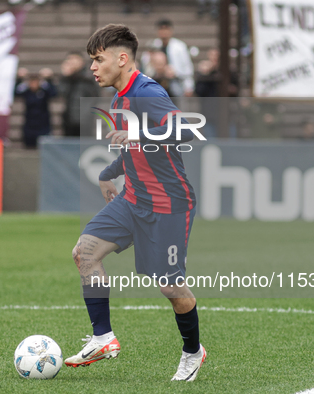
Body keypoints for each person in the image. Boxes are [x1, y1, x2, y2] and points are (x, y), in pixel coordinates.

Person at [65, 24, 206, 382]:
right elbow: (133, 151)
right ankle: (103, 338)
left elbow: (185, 129)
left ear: (122, 58)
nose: (93, 67)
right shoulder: (118, 98)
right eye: (91, 61)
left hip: (169, 203)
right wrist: (106, 173)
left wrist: (139, 132)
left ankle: (193, 351)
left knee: (171, 288)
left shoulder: (146, 92)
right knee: (85, 252)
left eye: (98, 59)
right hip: (134, 197)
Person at [149, 19, 195, 97]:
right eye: (161, 29)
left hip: (175, 83)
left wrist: (189, 86)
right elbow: (147, 65)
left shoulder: (180, 46)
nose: (164, 32)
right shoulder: (153, 45)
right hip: (157, 83)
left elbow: (187, 66)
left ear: (171, 30)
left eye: (166, 29)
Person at [58, 52, 99, 137]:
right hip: (69, 118)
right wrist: (65, 77)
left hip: (85, 119)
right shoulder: (67, 79)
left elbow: (95, 92)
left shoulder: (89, 76)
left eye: (74, 60)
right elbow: (61, 92)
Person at [15, 67, 57, 148]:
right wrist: (19, 79)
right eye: (32, 82)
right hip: (29, 125)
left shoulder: (44, 91)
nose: (33, 84)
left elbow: (54, 93)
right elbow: (16, 92)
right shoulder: (26, 92)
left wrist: (48, 79)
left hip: (43, 125)